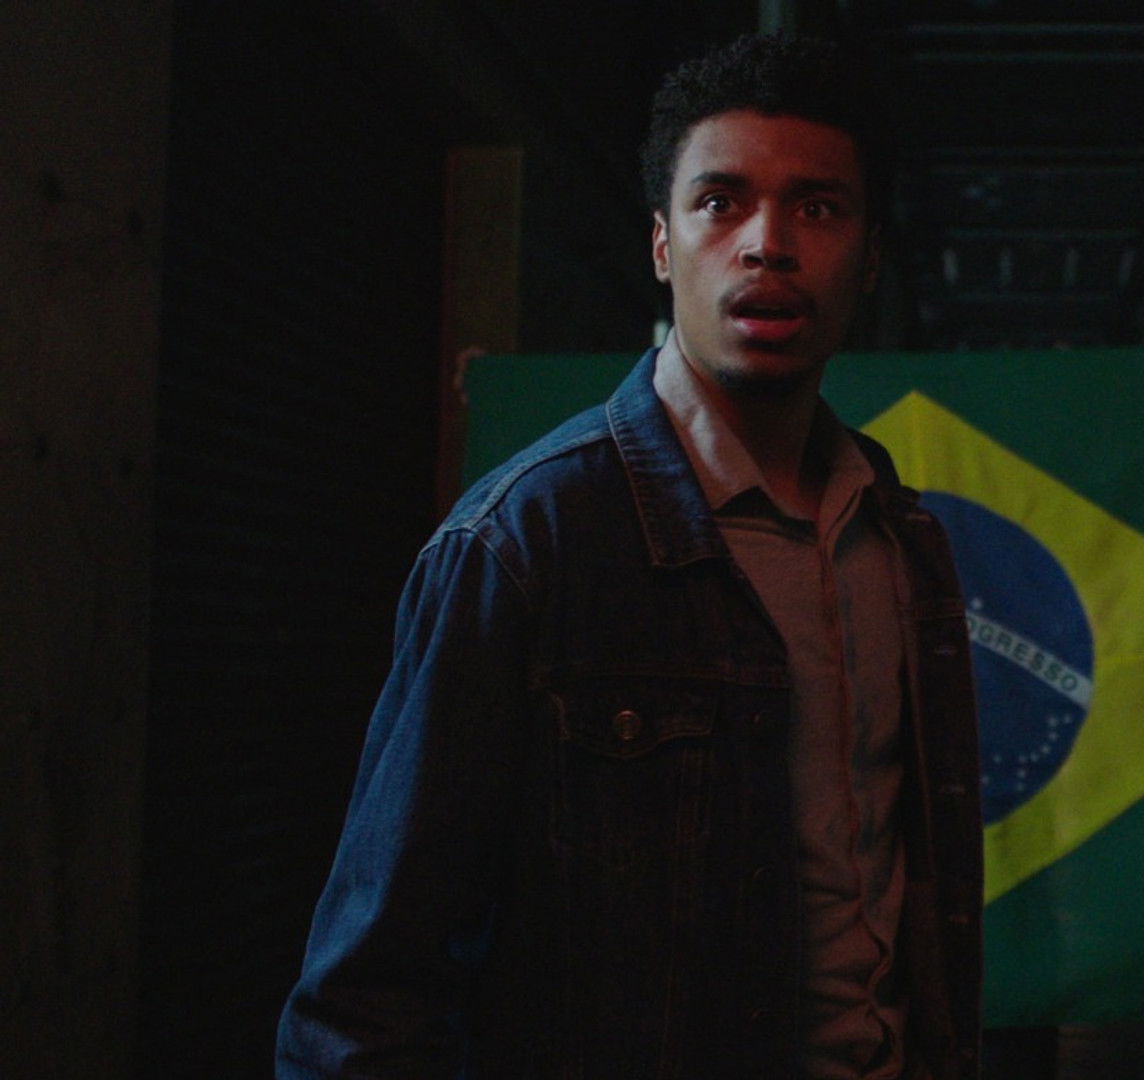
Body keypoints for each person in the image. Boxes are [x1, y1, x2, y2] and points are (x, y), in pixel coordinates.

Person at [276, 33, 983, 1079]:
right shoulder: (524, 543)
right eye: (720, 203)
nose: (767, 244)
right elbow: (367, 998)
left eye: (819, 208)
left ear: (870, 258)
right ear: (661, 245)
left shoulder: (900, 540)